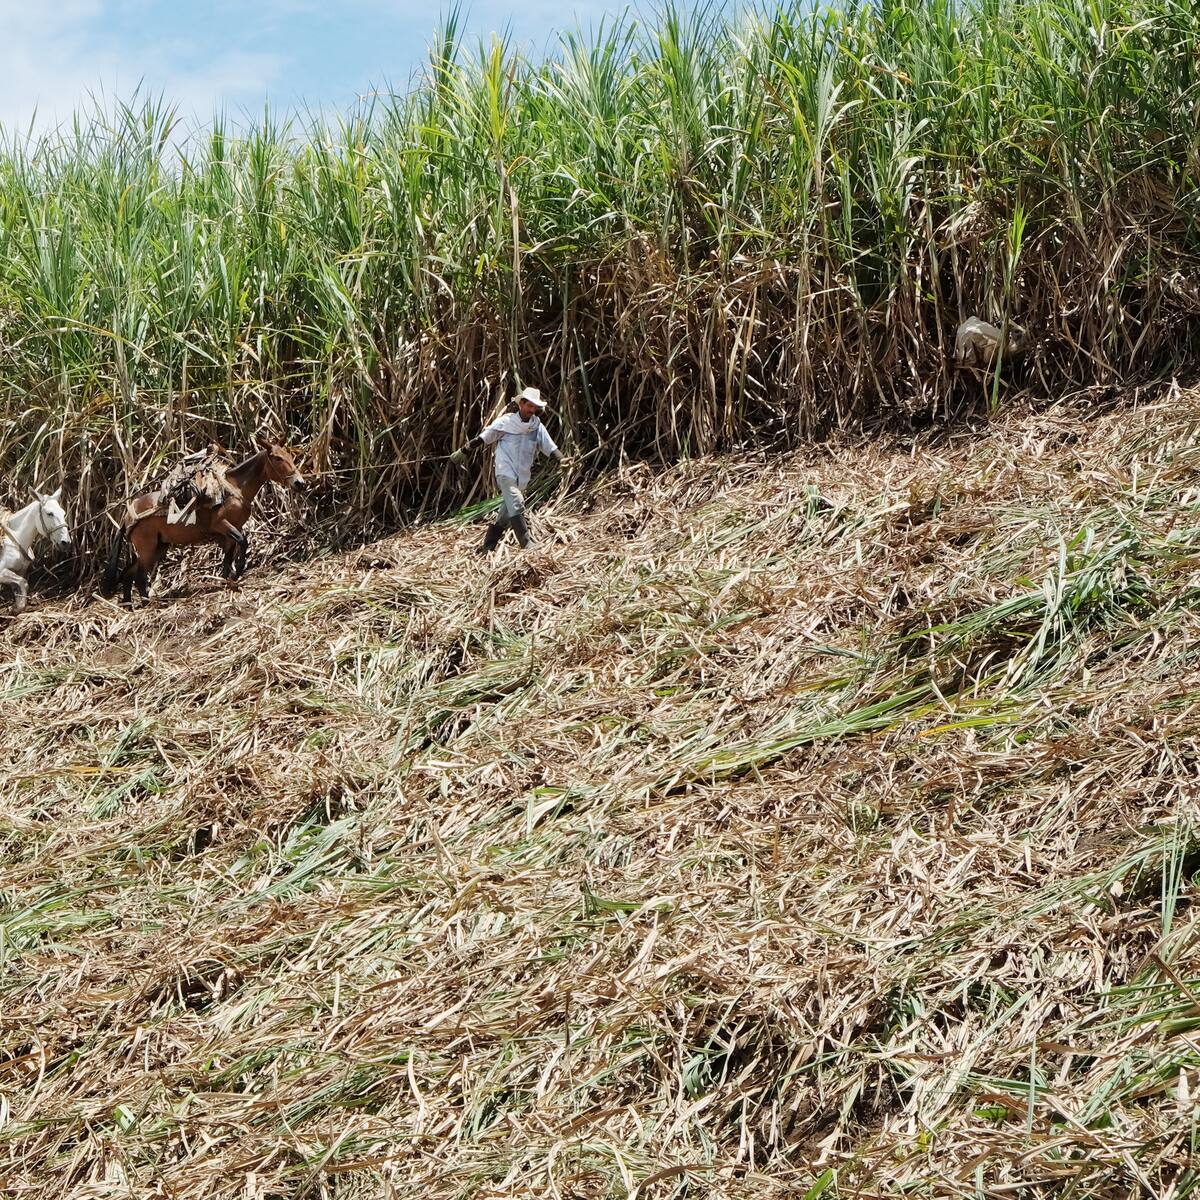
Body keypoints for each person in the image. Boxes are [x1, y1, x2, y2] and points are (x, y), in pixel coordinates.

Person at [450, 386, 564, 553]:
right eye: (529, 406)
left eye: (534, 407)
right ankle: (526, 543)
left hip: (522, 477)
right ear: (521, 404)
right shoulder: (506, 422)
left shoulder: (536, 426)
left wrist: (562, 459)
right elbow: (485, 437)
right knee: (517, 503)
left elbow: (549, 446)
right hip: (505, 471)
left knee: (505, 515)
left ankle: (487, 547)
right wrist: (464, 450)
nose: (531, 410)